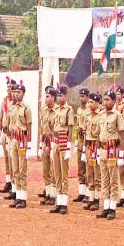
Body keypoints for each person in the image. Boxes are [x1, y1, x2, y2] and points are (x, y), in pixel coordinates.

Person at [96, 88, 124, 219]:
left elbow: (122, 135)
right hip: (102, 149)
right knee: (104, 179)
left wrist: (121, 153)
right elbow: (98, 134)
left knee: (113, 180)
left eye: (107, 99)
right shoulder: (101, 115)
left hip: (112, 150)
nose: (104, 102)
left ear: (113, 101)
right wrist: (96, 151)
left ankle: (112, 208)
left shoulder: (117, 115)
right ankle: (106, 206)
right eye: (104, 99)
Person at [7, 81, 31, 209]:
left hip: (22, 139)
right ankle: (17, 195)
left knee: (22, 169)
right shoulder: (11, 108)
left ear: (23, 94)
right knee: (15, 168)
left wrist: (30, 144)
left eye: (18, 92)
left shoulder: (26, 109)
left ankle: (23, 198)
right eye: (14, 92)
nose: (16, 94)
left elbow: (29, 126)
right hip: (13, 139)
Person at [50, 85, 74, 214]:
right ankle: (58, 202)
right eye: (58, 95)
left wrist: (69, 146)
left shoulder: (68, 110)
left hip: (64, 139)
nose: (59, 98)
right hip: (56, 140)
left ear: (66, 96)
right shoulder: (56, 109)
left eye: (61, 95)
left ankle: (64, 202)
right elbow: (54, 127)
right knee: (57, 172)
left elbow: (70, 128)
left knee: (64, 173)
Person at [83, 92, 103, 211]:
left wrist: (99, 150)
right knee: (89, 173)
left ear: (97, 103)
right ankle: (91, 199)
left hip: (96, 145)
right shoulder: (87, 116)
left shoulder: (100, 116)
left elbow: (100, 134)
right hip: (89, 146)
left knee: (97, 174)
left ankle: (96, 200)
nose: (89, 104)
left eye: (92, 102)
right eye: (89, 102)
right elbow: (85, 133)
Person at [39, 86, 57, 206]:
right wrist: (41, 142)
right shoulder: (44, 109)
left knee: (53, 169)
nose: (46, 98)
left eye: (48, 96)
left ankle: (53, 195)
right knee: (46, 169)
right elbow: (42, 126)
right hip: (45, 141)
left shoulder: (57, 111)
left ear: (53, 98)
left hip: (54, 142)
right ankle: (47, 192)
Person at [0, 77, 16, 197]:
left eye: (11, 88)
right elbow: (1, 115)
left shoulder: (14, 103)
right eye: (8, 88)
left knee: (12, 160)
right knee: (6, 159)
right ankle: (8, 181)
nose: (8, 90)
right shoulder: (4, 100)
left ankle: (14, 184)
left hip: (12, 134)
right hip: (4, 131)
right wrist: (0, 129)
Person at [74, 87, 90, 202]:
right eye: (80, 96)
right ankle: (82, 191)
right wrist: (76, 141)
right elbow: (77, 126)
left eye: (83, 96)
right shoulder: (79, 109)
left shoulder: (91, 109)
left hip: (88, 141)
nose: (81, 98)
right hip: (80, 140)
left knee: (88, 168)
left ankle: (89, 192)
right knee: (80, 167)